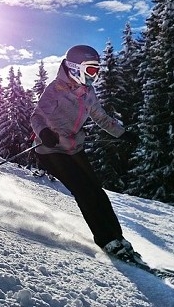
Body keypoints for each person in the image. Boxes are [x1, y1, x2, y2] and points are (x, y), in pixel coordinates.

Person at [30, 44, 139, 261]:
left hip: (73, 148)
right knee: (84, 191)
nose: (94, 76)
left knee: (97, 191)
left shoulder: (88, 92)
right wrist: (44, 132)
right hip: (51, 149)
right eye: (90, 70)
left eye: (96, 71)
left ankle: (118, 237)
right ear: (74, 67)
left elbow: (101, 117)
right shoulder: (55, 89)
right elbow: (36, 117)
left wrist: (122, 133)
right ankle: (106, 240)